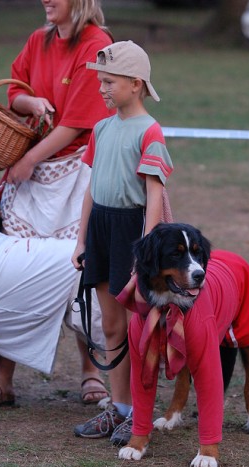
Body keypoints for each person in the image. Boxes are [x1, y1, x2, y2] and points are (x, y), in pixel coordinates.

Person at [0, 0, 115, 407]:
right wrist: (31, 104)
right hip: (34, 174)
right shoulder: (37, 40)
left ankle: (90, 371)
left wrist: (27, 159)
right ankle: (3, 376)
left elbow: (79, 120)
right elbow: (14, 90)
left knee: (80, 271)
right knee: (18, 273)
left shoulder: (96, 44)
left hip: (76, 173)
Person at [71, 40, 173, 445]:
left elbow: (154, 194)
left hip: (133, 231)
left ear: (135, 83)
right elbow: (91, 189)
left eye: (109, 82)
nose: (102, 89)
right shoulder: (101, 128)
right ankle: (121, 408)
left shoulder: (150, 131)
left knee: (138, 329)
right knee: (111, 324)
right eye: (100, 81)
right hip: (101, 228)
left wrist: (145, 248)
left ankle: (141, 416)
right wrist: (80, 239)